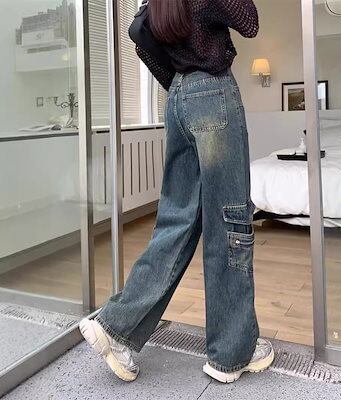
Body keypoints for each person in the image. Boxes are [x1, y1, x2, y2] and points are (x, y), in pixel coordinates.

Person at [79, 0, 274, 384]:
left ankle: (115, 326)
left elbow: (139, 35)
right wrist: (202, 86)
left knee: (176, 220)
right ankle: (231, 353)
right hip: (213, 93)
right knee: (230, 222)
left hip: (179, 99)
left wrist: (184, 85)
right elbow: (249, 21)